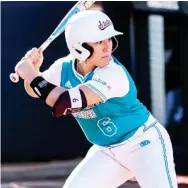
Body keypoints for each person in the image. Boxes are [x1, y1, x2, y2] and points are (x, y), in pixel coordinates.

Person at [15, 10, 178, 188]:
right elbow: (35, 90)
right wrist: (35, 71)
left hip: (144, 144)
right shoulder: (63, 67)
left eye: (109, 39)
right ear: (79, 47)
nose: (108, 47)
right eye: (99, 41)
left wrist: (31, 75)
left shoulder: (113, 73)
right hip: (107, 150)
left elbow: (64, 103)